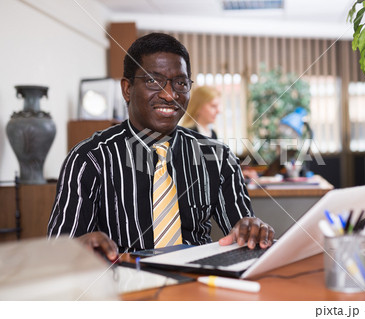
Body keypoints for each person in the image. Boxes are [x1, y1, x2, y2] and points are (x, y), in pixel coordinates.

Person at [47, 33, 274, 261]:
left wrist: (251, 230)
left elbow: (242, 232)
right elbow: (59, 252)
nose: (170, 95)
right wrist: (78, 247)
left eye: (181, 83)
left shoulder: (218, 156)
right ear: (127, 89)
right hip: (124, 287)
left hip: (196, 286)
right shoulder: (89, 158)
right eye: (153, 81)